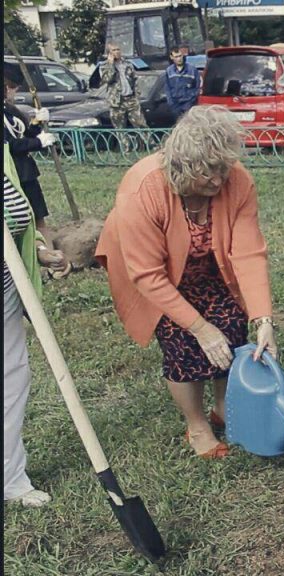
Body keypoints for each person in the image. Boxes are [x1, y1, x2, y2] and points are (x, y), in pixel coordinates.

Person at [95, 106, 277, 459]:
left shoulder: (236, 180)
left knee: (232, 327)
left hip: (208, 265)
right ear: (183, 167)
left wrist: (264, 320)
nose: (219, 179)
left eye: (223, 168)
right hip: (156, 275)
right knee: (182, 345)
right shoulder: (141, 189)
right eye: (208, 172)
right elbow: (147, 274)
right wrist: (199, 327)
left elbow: (249, 253)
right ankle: (196, 424)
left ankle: (224, 407)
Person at [4, 144, 70, 507]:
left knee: (12, 381)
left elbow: (18, 221)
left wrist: (41, 252)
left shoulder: (4, 157)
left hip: (6, 295)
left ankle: (10, 478)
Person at [4, 75, 59, 243]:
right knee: (19, 221)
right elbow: (10, 144)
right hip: (10, 174)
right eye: (12, 87)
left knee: (38, 217)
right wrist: (38, 142)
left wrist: (37, 123)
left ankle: (52, 261)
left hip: (26, 171)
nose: (13, 92)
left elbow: (26, 132)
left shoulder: (9, 109)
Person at [100, 43, 150, 131]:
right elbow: (107, 79)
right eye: (114, 50)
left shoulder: (127, 64)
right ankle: (125, 145)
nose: (117, 52)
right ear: (109, 53)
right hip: (117, 102)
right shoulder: (104, 66)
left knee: (141, 125)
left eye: (118, 49)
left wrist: (137, 96)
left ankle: (149, 144)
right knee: (120, 129)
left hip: (131, 99)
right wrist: (110, 64)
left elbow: (135, 80)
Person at [165, 45, 202, 120]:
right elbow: (167, 88)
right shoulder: (169, 71)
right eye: (176, 57)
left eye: (180, 56)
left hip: (188, 104)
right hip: (175, 105)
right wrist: (171, 102)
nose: (179, 59)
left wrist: (191, 101)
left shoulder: (192, 70)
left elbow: (197, 87)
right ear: (171, 57)